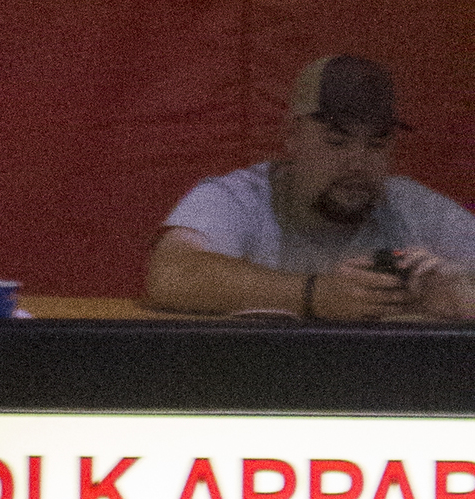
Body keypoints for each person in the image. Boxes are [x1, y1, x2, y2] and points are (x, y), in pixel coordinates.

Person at [144, 54, 475, 322]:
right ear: (291, 135)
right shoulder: (240, 198)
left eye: (375, 144)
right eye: (336, 141)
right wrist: (316, 295)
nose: (358, 163)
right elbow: (170, 273)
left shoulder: (413, 206)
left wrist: (458, 294)